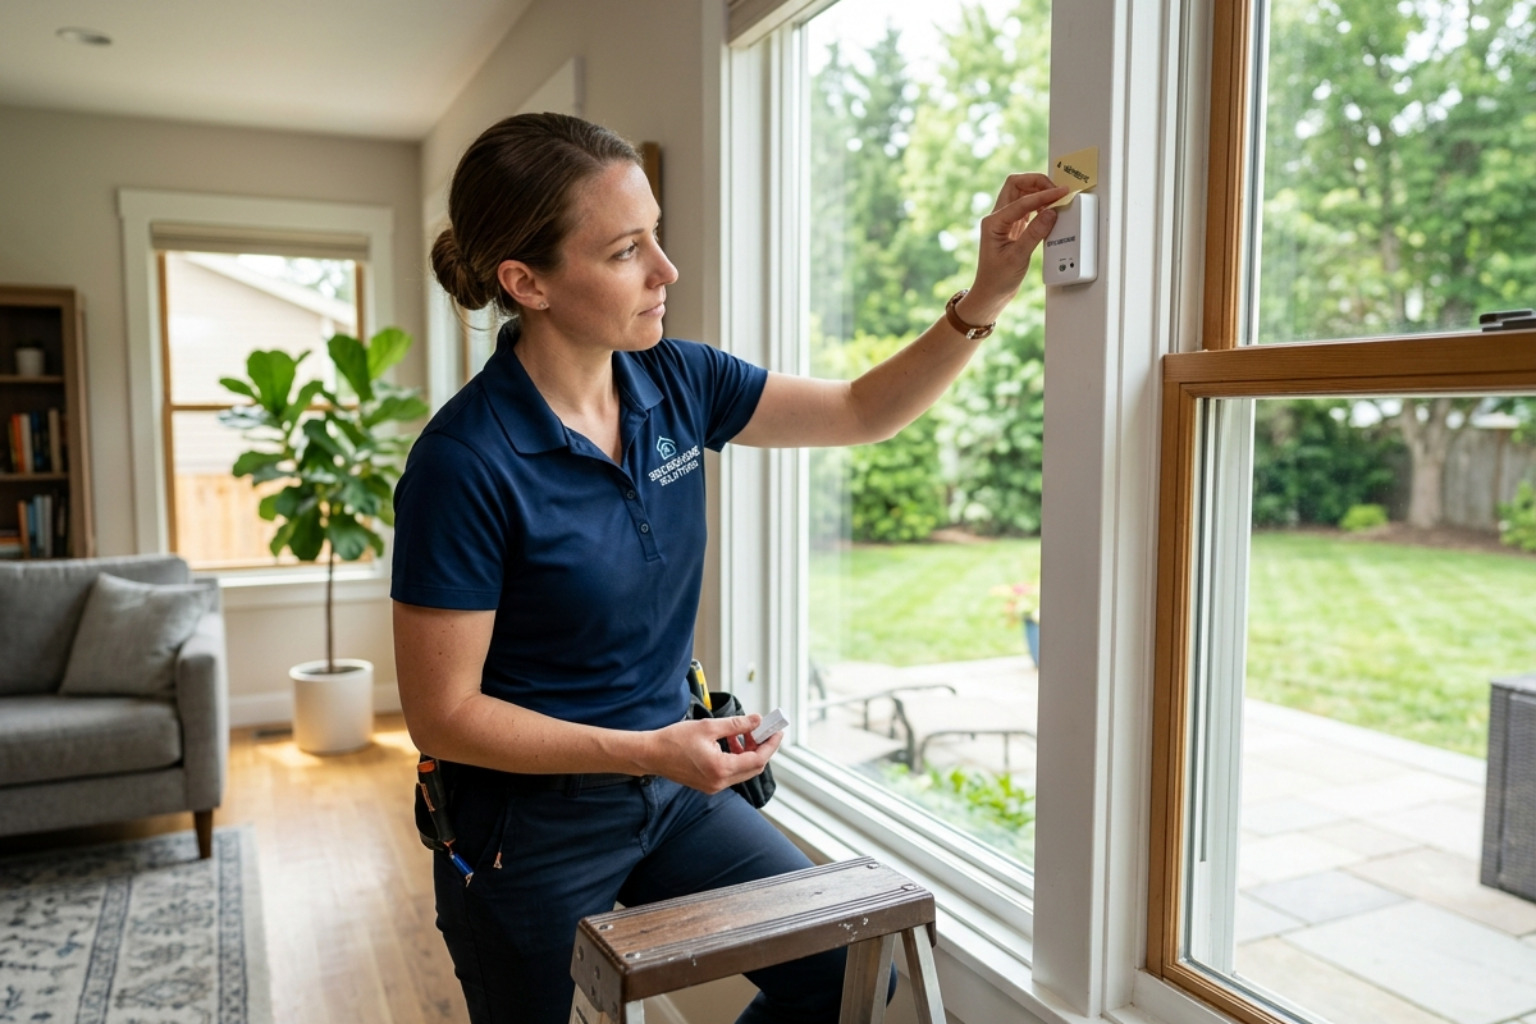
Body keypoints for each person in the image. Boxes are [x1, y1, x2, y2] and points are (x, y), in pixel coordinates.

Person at [391, 111, 1066, 1024]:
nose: (666, 270)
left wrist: (985, 295)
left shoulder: (678, 380)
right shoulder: (463, 463)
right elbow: (445, 714)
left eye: (656, 235)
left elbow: (863, 410)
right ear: (527, 282)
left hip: (673, 788)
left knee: (842, 978)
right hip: (527, 829)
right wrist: (649, 751)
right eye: (628, 249)